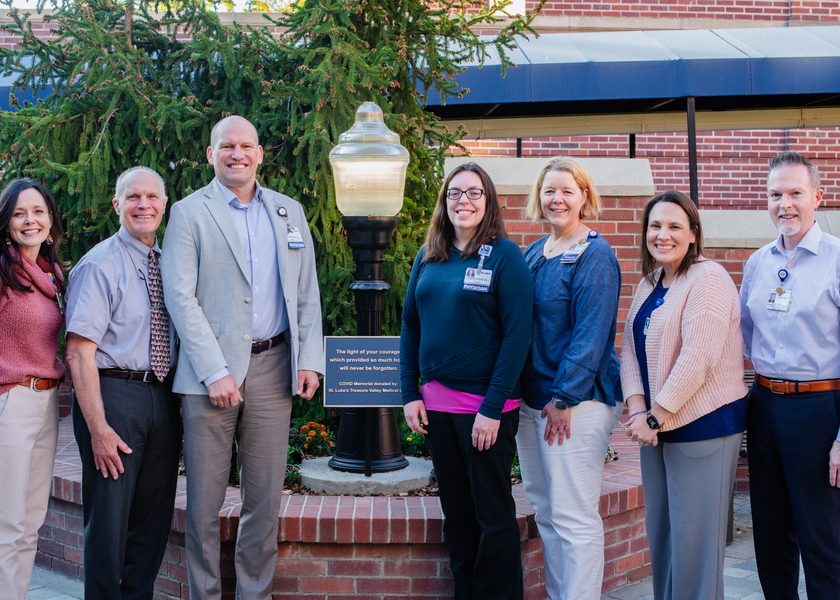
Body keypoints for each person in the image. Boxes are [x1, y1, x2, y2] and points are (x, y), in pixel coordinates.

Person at [161, 115, 324, 600]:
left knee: (264, 499)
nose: (238, 154)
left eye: (246, 145)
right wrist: (215, 371)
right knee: (205, 503)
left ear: (259, 152)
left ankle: (256, 593)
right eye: (227, 146)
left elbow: (306, 293)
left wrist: (308, 359)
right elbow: (180, 298)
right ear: (211, 154)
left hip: (275, 369)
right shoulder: (190, 213)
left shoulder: (288, 211)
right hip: (209, 376)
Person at [400, 162, 533, 600]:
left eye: (474, 193)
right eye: (455, 193)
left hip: (486, 414)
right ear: (444, 202)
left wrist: (491, 409)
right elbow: (410, 328)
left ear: (488, 201)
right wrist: (408, 394)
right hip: (437, 409)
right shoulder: (429, 255)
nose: (464, 201)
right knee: (456, 515)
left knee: (491, 517)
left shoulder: (506, 257)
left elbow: (517, 337)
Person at [621, 190, 747, 600]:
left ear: (693, 233)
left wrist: (655, 415)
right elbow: (628, 350)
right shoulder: (650, 281)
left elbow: (699, 357)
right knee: (664, 541)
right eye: (655, 226)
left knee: (695, 551)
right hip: (655, 428)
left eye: (675, 226)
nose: (663, 235)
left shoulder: (708, 278)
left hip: (703, 427)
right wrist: (638, 410)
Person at [65, 166, 181, 599]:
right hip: (113, 397)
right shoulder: (99, 264)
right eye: (133, 197)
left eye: (152, 197)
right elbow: (78, 352)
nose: (143, 205)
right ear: (117, 205)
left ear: (164, 205)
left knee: (152, 524)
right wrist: (98, 429)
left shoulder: (169, 263)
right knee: (109, 523)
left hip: (162, 399)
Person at [516, 157, 623, 600]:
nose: (556, 199)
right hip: (530, 402)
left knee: (574, 514)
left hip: (576, 403)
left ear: (584, 197)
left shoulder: (595, 254)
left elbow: (591, 335)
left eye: (566, 190)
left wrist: (563, 399)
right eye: (548, 190)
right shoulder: (534, 253)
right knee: (546, 511)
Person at [740, 151, 840, 600]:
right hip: (763, 406)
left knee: (823, 538)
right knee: (771, 534)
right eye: (775, 194)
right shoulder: (758, 263)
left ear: (818, 196)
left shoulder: (837, 259)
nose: (785, 204)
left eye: (795, 193)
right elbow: (743, 335)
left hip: (820, 410)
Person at [0, 179, 65, 600]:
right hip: (10, 400)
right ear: (6, 222)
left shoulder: (52, 274)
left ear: (51, 220)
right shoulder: (2, 271)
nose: (30, 220)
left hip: (46, 404)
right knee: (5, 524)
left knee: (30, 522)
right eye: (20, 213)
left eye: (38, 211)